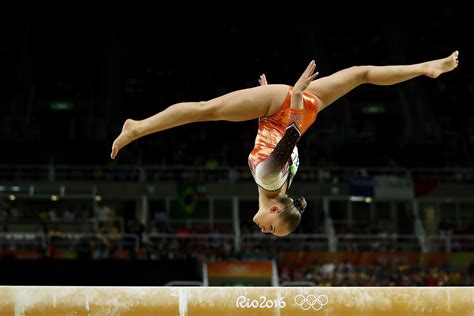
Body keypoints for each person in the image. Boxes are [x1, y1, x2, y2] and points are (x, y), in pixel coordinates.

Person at [111, 51, 460, 237]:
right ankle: (138, 127)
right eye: (271, 229)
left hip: (297, 111)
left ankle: (424, 67)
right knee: (206, 110)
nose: (264, 230)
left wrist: (268, 102)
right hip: (287, 108)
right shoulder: (271, 181)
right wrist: (291, 97)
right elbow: (287, 137)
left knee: (361, 73)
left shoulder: (281, 183)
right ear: (277, 210)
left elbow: (277, 143)